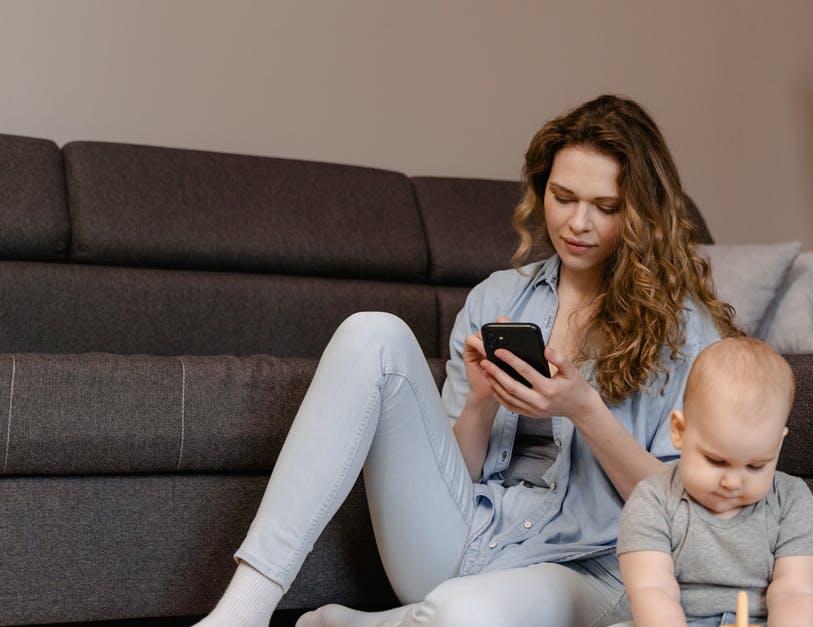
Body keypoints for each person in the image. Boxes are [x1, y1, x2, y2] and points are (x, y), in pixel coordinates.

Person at [195, 94, 740, 627]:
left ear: (644, 213)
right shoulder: (496, 299)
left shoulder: (687, 330)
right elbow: (454, 476)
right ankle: (242, 612)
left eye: (605, 207)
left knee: (461, 615)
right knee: (372, 334)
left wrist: (585, 411)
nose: (577, 223)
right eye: (562, 196)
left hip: (591, 568)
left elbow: (689, 516)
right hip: (470, 537)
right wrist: (479, 404)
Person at [616, 337, 813, 627]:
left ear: (777, 446)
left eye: (755, 466)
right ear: (680, 431)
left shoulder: (792, 501)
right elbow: (653, 590)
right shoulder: (652, 500)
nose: (732, 482)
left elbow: (796, 592)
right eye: (716, 461)